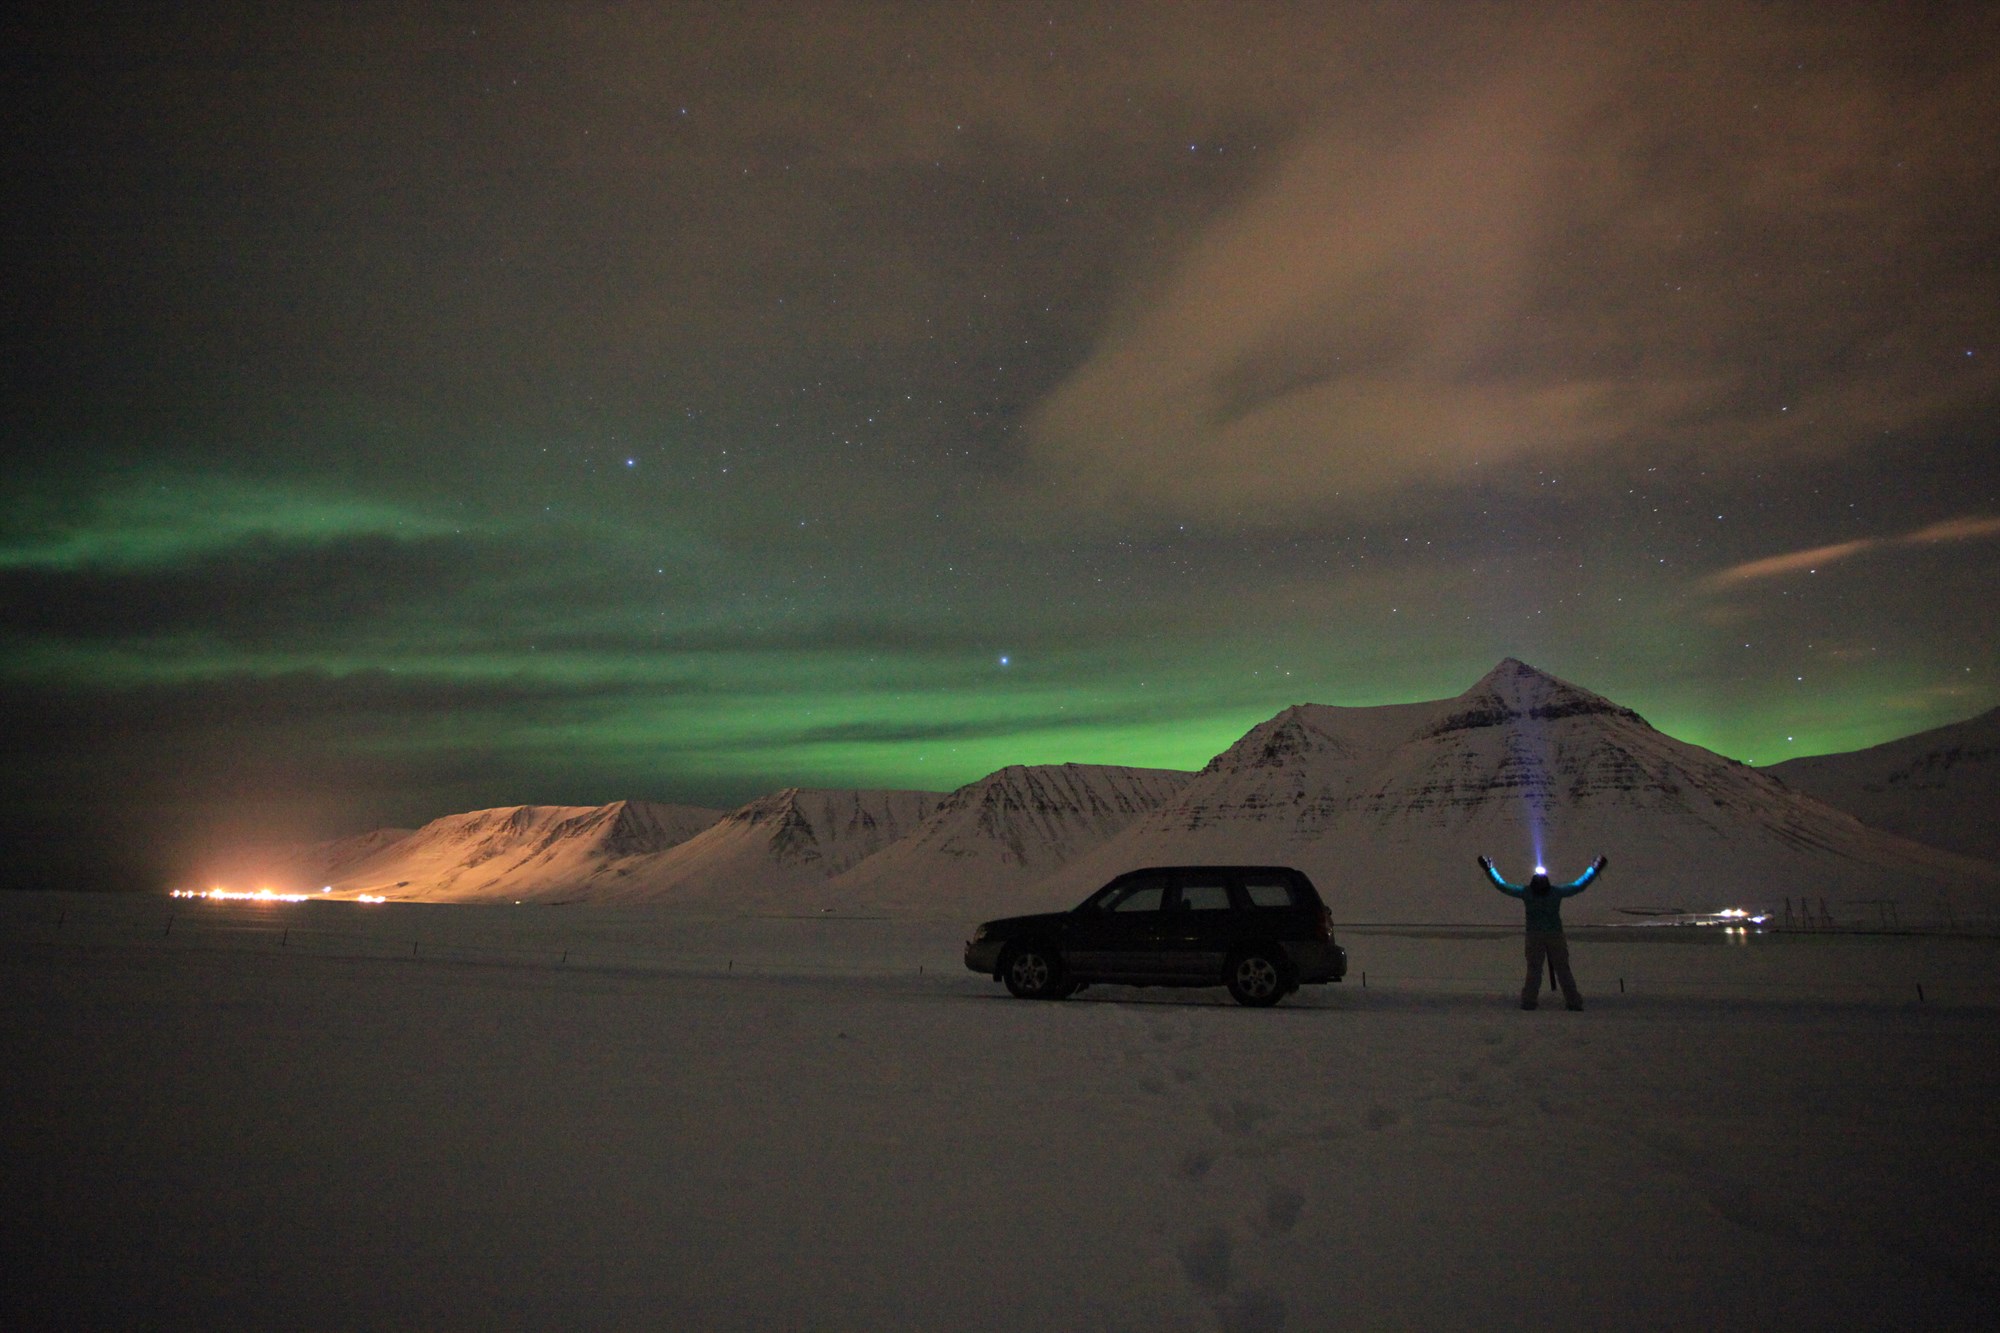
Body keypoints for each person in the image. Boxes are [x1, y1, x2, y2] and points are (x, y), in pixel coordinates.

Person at [1478, 854, 1607, 1010]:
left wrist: (1490, 869)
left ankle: (1529, 1001)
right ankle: (1573, 1002)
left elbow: (1503, 886)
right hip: (1555, 935)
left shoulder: (1527, 893)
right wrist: (1593, 869)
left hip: (1534, 936)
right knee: (1563, 969)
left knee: (1534, 970)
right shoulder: (1555, 893)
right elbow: (1578, 885)